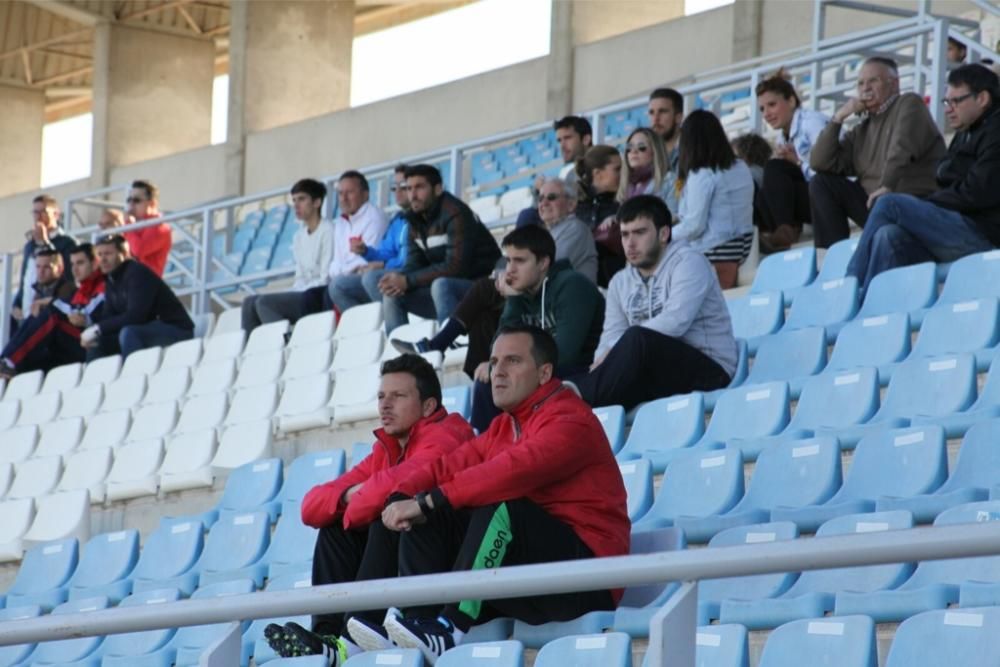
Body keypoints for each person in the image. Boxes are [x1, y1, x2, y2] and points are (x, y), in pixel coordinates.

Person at [344, 326, 628, 664]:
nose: (498, 372)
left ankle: (449, 627)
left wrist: (429, 499)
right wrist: (403, 496)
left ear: (544, 372)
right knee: (408, 515)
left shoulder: (571, 419)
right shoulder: (503, 426)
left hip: (588, 579)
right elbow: (448, 466)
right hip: (531, 576)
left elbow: (511, 470)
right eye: (493, 362)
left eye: (512, 360)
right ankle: (388, 626)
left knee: (498, 504)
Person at [263, 355, 474, 664]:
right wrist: (353, 495)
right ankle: (329, 637)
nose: (385, 406)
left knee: (388, 513)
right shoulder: (387, 448)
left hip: (453, 563)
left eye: (398, 396)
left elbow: (396, 490)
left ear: (428, 406)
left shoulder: (448, 435)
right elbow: (310, 508)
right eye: (381, 397)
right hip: (411, 559)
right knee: (334, 529)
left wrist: (357, 500)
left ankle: (356, 631)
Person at [389, 178, 598, 371]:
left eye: (551, 197)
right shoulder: (543, 234)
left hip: (563, 304)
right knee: (481, 315)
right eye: (540, 198)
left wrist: (505, 278)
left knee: (483, 288)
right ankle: (473, 369)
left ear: (571, 204)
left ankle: (439, 344)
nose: (543, 203)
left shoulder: (576, 228)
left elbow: (545, 269)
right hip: (536, 299)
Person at [567, 195, 736, 411]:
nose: (630, 243)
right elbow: (610, 335)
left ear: (664, 233)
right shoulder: (620, 282)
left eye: (639, 232)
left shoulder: (690, 262)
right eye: (625, 234)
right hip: (657, 369)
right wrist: (599, 365)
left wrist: (615, 351)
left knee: (636, 337)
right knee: (567, 372)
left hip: (710, 367)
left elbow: (675, 322)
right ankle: (566, 409)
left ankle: (579, 403)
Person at [847, 64, 1000, 294]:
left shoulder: (996, 131)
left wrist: (928, 203)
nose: (949, 109)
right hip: (955, 230)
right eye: (946, 102)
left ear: (982, 98)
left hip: (982, 236)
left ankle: (849, 286)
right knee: (887, 235)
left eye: (956, 101)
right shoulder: (966, 132)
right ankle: (872, 309)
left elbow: (976, 192)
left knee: (889, 203)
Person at [464, 224, 604, 431]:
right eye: (508, 260)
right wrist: (513, 300)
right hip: (541, 371)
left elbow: (566, 353)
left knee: (503, 375)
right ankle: (485, 447)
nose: (510, 269)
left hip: (577, 374)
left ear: (543, 262)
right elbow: (500, 347)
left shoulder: (572, 286)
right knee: (489, 380)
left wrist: (514, 369)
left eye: (519, 261)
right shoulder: (522, 293)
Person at [809, 57, 946, 250]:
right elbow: (819, 162)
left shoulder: (909, 103)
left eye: (874, 80)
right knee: (821, 183)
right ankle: (831, 256)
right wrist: (839, 118)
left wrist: (887, 185)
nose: (865, 88)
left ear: (894, 84)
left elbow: (901, 148)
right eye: (861, 83)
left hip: (911, 204)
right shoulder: (861, 130)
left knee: (884, 203)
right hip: (875, 207)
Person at [377, 164, 500, 334]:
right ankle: (402, 358)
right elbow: (415, 263)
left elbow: (456, 268)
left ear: (438, 189)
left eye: (419, 187)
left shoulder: (455, 213)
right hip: (447, 292)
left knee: (441, 285)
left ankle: (450, 343)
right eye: (409, 188)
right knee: (392, 293)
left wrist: (407, 281)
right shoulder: (414, 219)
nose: (412, 195)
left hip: (482, 288)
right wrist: (399, 278)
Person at [674, 109, 755, 289]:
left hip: (716, 250)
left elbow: (694, 226)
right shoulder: (740, 166)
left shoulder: (701, 174)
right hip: (743, 247)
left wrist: (661, 236)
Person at [241, 179, 334, 331]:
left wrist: (300, 289)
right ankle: (250, 349)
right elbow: (300, 276)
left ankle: (285, 340)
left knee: (264, 303)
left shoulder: (328, 230)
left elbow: (326, 278)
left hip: (318, 294)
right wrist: (296, 289)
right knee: (249, 303)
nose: (296, 205)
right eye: (294, 200)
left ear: (317, 202)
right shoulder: (299, 236)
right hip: (302, 291)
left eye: (302, 199)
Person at [82, 234, 194, 359]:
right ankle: (99, 378)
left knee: (129, 333)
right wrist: (94, 332)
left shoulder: (137, 273)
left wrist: (97, 329)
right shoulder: (111, 279)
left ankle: (131, 376)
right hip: (146, 329)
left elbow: (136, 316)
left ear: (124, 254)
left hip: (175, 329)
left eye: (108, 254)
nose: (103, 259)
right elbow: (108, 317)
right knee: (97, 343)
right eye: (100, 254)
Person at [754, 69, 830, 252]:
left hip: (831, 195)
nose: (766, 114)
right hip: (810, 197)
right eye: (762, 109)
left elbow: (831, 170)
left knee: (774, 168)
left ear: (791, 100)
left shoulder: (812, 122)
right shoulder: (783, 137)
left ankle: (784, 231)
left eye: (772, 105)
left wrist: (797, 163)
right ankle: (775, 234)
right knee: (759, 189)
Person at [0, 244, 104, 377]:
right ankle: (5, 362)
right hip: (73, 340)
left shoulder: (100, 285)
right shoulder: (82, 289)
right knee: (35, 321)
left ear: (95, 264)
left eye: (80, 263)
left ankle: (9, 362)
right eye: (72, 264)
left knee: (51, 317)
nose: (75, 269)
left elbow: (82, 314)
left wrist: (51, 302)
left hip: (90, 341)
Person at [328, 165, 410, 312]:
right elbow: (385, 252)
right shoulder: (397, 220)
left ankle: (389, 321)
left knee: (367, 279)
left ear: (365, 195)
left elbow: (408, 258)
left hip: (408, 273)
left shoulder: (376, 217)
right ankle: (364, 329)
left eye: (403, 186)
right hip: (387, 271)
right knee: (334, 287)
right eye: (394, 187)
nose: (344, 198)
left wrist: (382, 264)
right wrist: (366, 252)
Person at [515, 116, 592, 229]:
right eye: (559, 140)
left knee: (528, 216)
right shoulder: (568, 170)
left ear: (586, 139)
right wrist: (538, 192)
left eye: (567, 138)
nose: (562, 145)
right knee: (528, 215)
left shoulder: (596, 164)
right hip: (565, 222)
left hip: (580, 222)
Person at [12, 194, 76, 329]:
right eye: (35, 212)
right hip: (27, 306)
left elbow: (67, 276)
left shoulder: (67, 242)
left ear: (56, 215)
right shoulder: (30, 246)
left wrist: (45, 243)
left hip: (49, 308)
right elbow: (26, 277)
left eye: (43, 212)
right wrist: (17, 302)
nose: (38, 216)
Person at [575, 145, 623, 286]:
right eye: (617, 169)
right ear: (597, 174)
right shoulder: (573, 205)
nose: (623, 174)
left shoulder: (624, 201)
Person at [618, 127, 678, 213]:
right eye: (629, 147)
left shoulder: (671, 180)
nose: (633, 151)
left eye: (641, 147)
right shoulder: (625, 184)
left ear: (655, 151)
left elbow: (674, 215)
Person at [122, 180, 172, 276]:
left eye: (136, 200)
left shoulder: (159, 226)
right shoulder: (132, 227)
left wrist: (127, 225)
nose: (131, 204)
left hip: (147, 283)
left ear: (152, 203)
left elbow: (139, 249)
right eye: (129, 200)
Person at [647, 87, 684, 168]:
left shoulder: (695, 153)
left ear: (678, 117)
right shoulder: (646, 156)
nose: (655, 119)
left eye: (662, 111)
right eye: (651, 113)